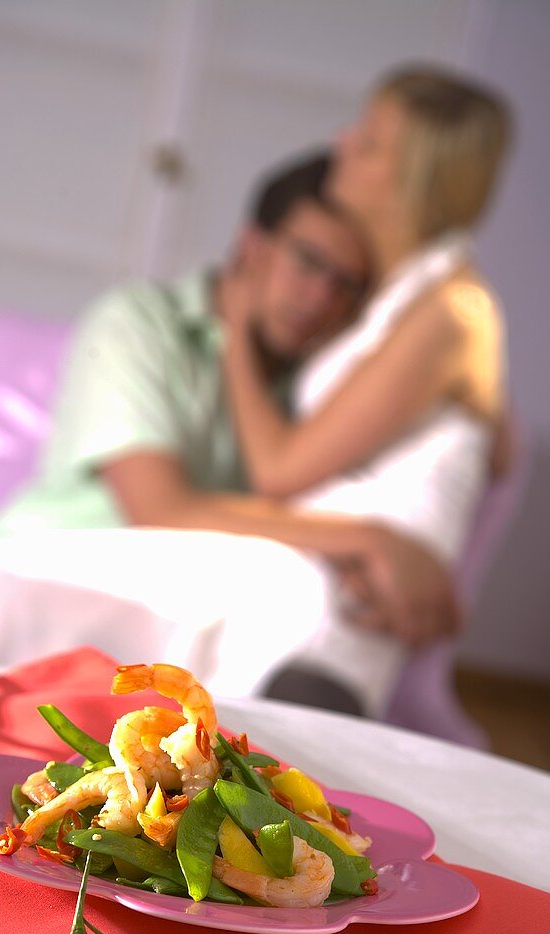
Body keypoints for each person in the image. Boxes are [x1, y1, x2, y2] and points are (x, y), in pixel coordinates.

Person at [0, 151, 462, 713]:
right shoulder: (138, 322)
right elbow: (158, 507)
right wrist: (369, 539)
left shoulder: (322, 388)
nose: (320, 298)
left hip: (161, 641)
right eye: (307, 261)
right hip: (14, 584)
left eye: (347, 285)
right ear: (253, 247)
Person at [220, 65, 513, 716]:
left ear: (417, 179)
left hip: (334, 628)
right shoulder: (401, 295)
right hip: (323, 574)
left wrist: (234, 325)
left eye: (372, 142)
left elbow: (278, 470)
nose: (343, 144)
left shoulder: (449, 311)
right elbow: (500, 452)